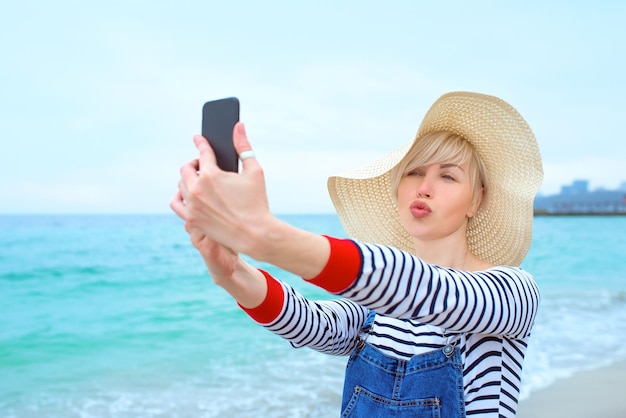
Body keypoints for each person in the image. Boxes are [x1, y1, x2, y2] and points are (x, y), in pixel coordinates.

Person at [171, 91, 543, 417]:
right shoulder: (375, 311)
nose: (425, 187)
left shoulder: (512, 293)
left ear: (476, 199)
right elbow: (308, 321)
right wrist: (231, 272)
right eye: (414, 172)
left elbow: (425, 290)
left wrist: (265, 236)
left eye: (448, 176)